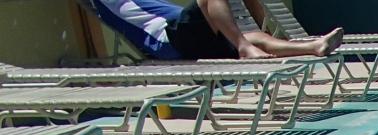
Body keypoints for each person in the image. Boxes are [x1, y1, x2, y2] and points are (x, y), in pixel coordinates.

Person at [87, 0, 343, 61]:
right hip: (166, 40)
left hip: (185, 38)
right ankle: (244, 47)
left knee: (256, 37)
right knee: (245, 40)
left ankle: (313, 46)